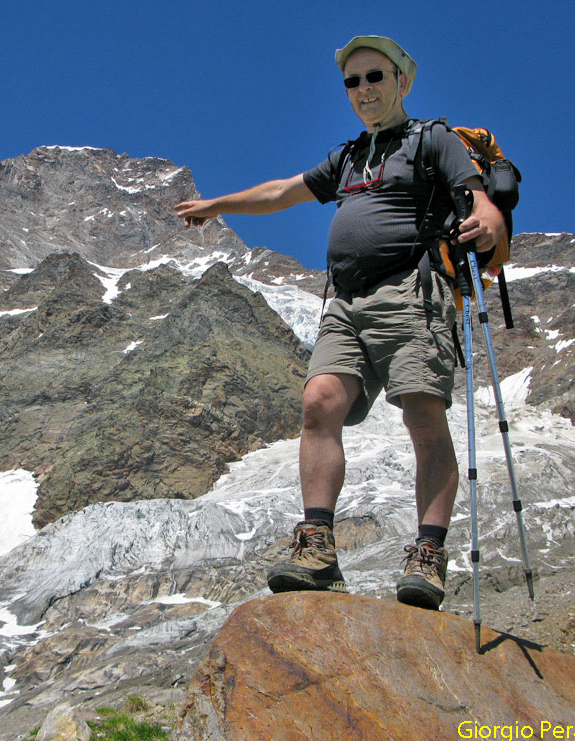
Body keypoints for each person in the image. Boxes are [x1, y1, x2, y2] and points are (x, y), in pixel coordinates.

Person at [174, 35, 504, 610]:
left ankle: (428, 553)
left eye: (374, 76)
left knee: (423, 417)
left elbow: (479, 199)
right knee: (318, 403)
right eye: (352, 82)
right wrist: (219, 204)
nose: (362, 90)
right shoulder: (350, 158)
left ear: (402, 80)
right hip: (345, 302)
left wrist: (489, 219)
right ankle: (318, 548)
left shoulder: (433, 140)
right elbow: (282, 192)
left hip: (411, 290)